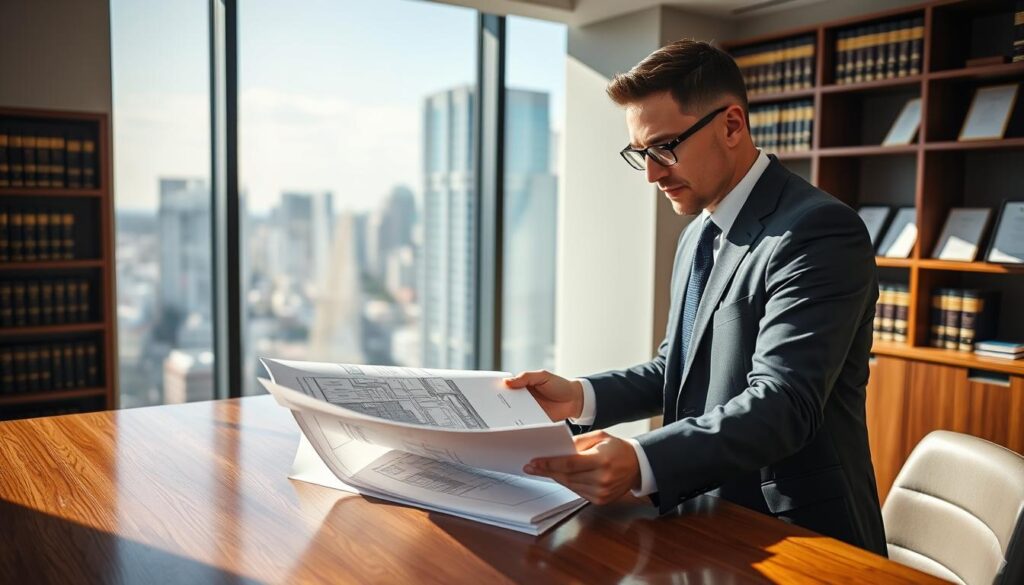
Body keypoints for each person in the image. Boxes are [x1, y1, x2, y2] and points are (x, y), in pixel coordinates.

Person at [504, 39, 887, 555]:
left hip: (800, 535)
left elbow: (783, 402)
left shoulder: (818, 231)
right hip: (706, 515)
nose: (652, 174)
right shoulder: (698, 235)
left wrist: (641, 461)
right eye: (640, 154)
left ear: (732, 125)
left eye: (664, 148)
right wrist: (580, 396)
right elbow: (676, 367)